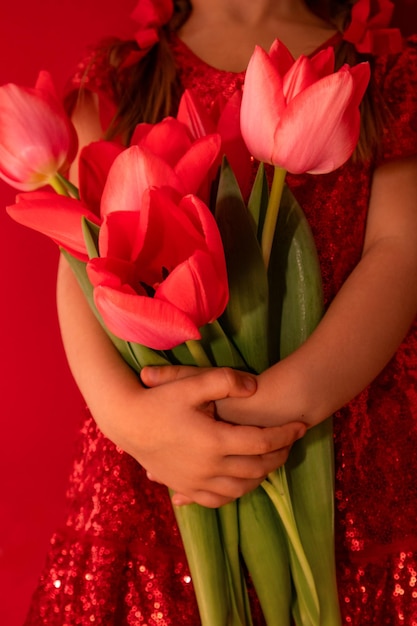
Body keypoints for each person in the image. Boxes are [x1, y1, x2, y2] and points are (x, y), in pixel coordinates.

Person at [24, 0, 417, 624]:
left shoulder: (387, 64)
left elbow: (401, 254)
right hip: (159, 469)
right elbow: (81, 263)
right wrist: (130, 421)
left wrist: (276, 406)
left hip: (334, 454)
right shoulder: (124, 75)